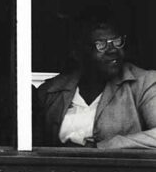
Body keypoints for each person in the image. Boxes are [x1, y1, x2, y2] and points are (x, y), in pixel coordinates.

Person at [35, 11, 156, 149]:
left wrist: (106, 146)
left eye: (117, 41)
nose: (112, 50)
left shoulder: (144, 83)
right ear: (78, 52)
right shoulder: (51, 92)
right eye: (100, 44)